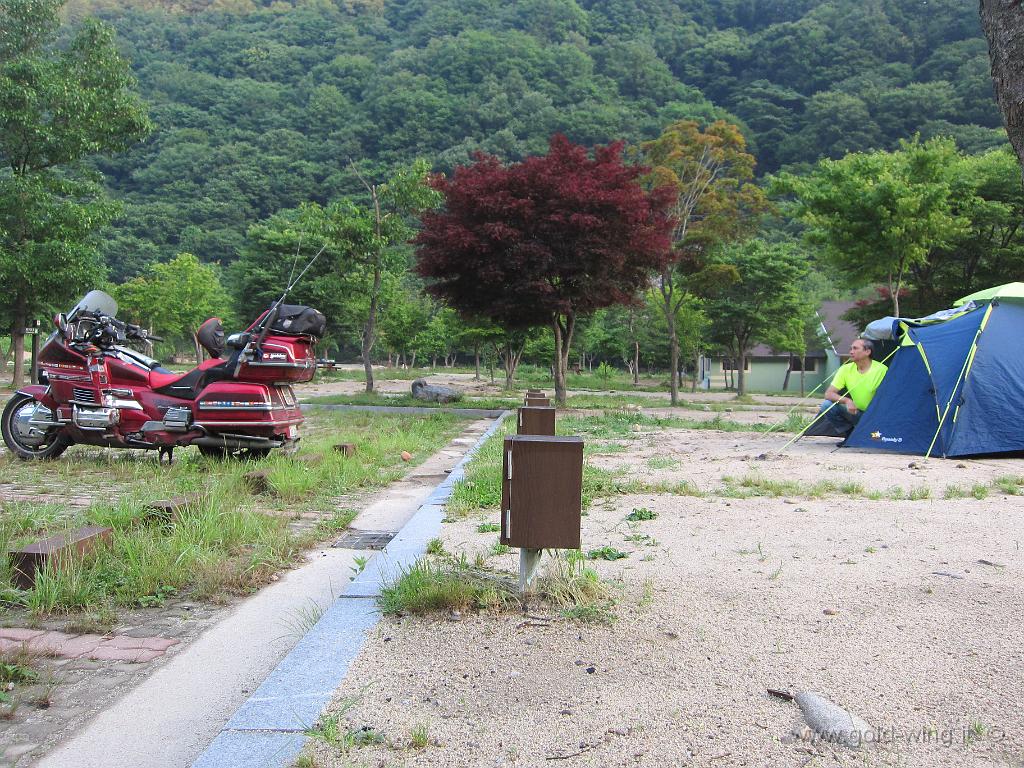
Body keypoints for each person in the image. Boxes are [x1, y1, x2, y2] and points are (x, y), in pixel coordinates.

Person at [818, 338, 887, 439]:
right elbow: (829, 394)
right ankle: (849, 435)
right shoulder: (845, 369)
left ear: (867, 352)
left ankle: (870, 434)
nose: (851, 352)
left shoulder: (881, 370)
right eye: (851, 349)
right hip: (856, 413)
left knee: (875, 440)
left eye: (855, 348)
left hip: (875, 417)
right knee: (826, 405)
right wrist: (847, 401)